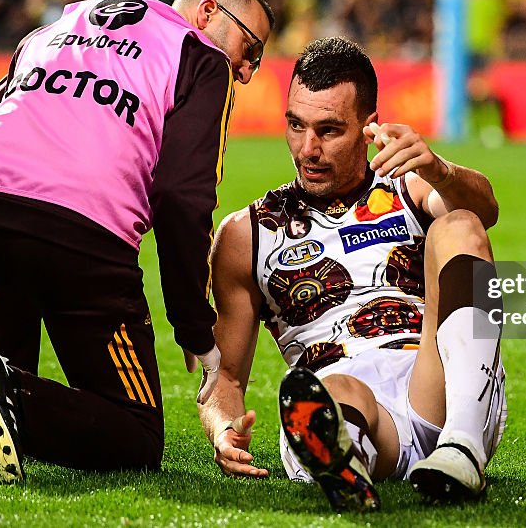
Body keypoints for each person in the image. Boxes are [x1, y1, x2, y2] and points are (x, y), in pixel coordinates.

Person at [0, 0, 274, 482]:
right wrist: (194, 327)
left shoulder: (63, 23)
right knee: (136, 434)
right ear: (207, 14)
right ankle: (14, 394)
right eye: (250, 48)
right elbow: (181, 200)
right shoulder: (201, 57)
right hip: (79, 240)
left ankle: (3, 384)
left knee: (19, 248)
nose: (247, 71)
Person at [197, 37, 507, 511]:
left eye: (328, 130)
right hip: (342, 390)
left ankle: (462, 447)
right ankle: (344, 459)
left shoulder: (407, 181)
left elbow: (484, 212)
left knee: (459, 225)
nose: (308, 148)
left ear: (367, 127)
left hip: (437, 380)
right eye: (296, 126)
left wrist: (441, 169)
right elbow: (228, 376)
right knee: (333, 393)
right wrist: (222, 429)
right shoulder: (246, 233)